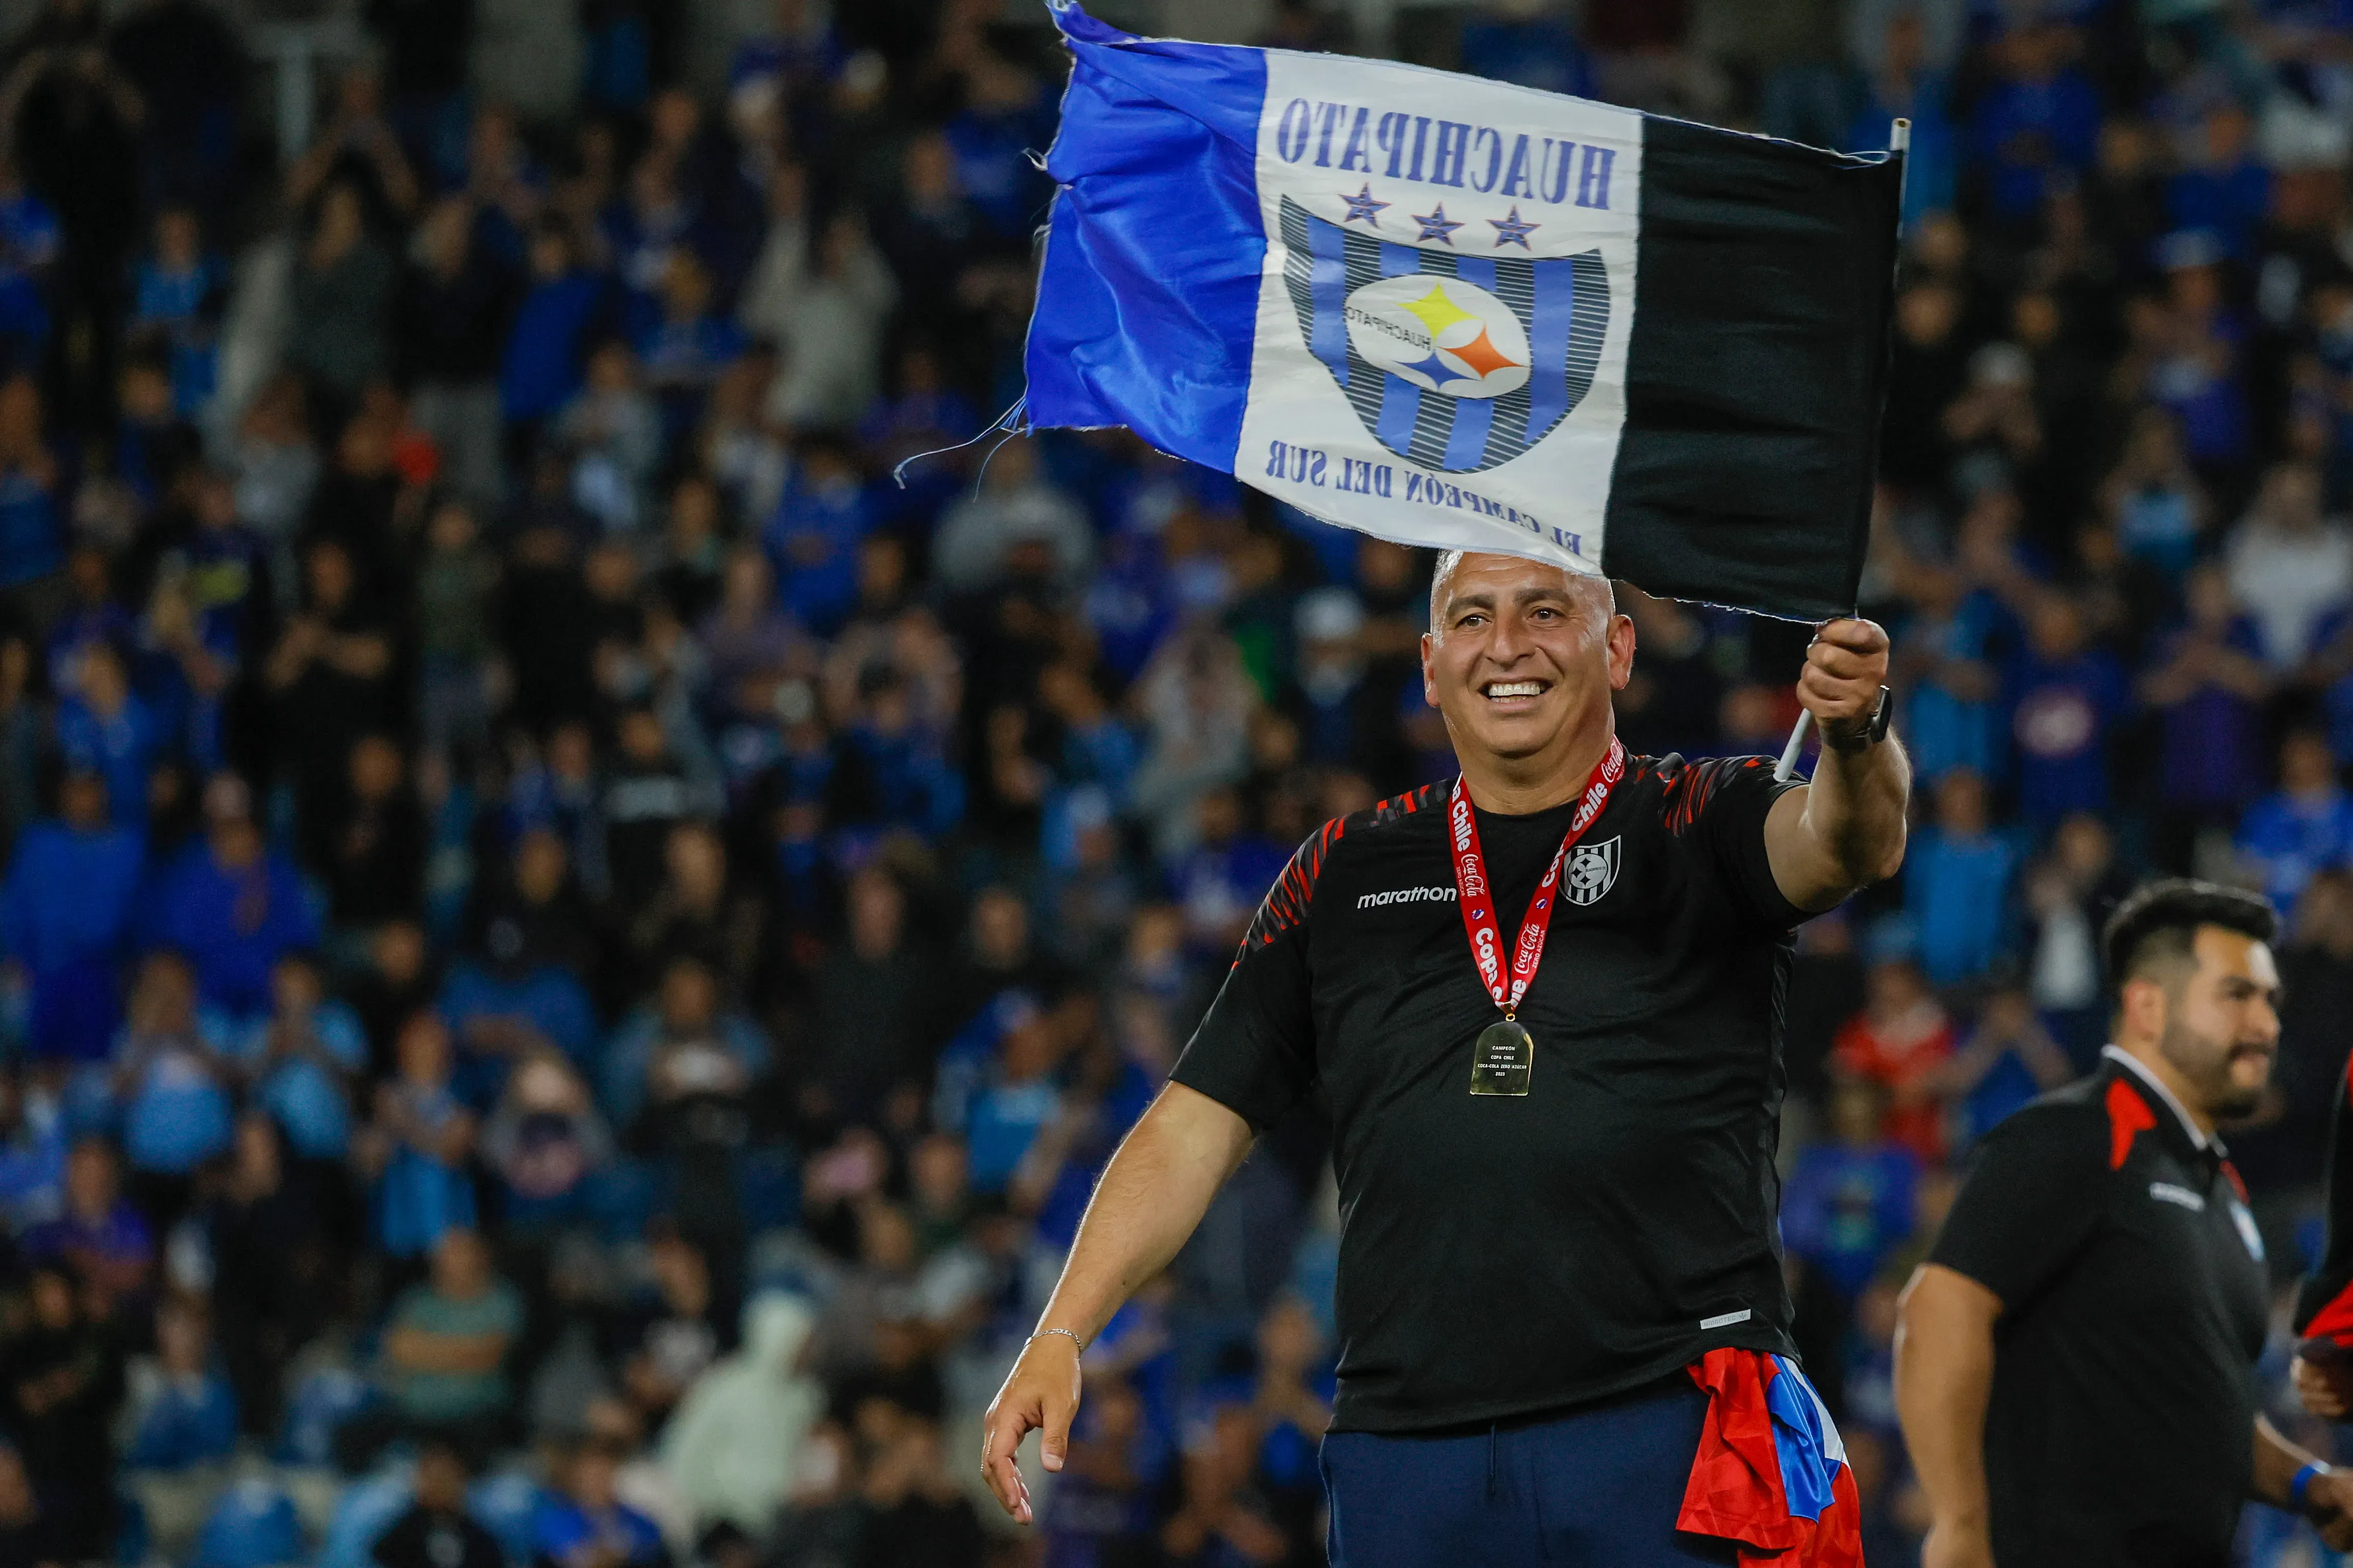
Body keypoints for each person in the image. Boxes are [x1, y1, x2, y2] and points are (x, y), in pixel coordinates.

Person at [982, 550, 1911, 1564]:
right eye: (1472, 619)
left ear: (1620, 645)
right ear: (1430, 664)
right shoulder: (1341, 871)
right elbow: (1192, 1124)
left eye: (1546, 611)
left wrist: (1856, 739)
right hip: (1409, 1456)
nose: (1506, 646)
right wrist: (1063, 1329)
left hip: (1665, 1423)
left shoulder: (1700, 816)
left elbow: (1844, 842)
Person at [1894, 880, 2353, 1566]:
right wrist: (1958, 1526)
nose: (2265, 1024)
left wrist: (2305, 1485)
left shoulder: (2221, 1188)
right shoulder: (2073, 1135)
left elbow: (2200, 1404)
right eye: (2236, 994)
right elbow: (1937, 1310)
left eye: (2269, 999)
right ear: (2146, 1004)